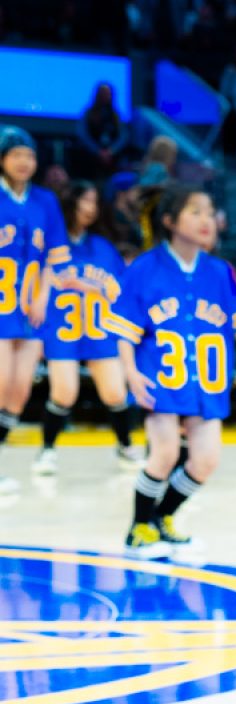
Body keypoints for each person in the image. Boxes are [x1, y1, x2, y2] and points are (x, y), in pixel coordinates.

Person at [105, 186, 236, 559]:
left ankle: (164, 518)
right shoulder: (144, 268)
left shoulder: (221, 271)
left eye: (210, 213)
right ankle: (139, 527)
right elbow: (125, 328)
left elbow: (233, 313)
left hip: (207, 380)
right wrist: (130, 372)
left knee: (206, 460)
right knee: (165, 452)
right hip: (161, 377)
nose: (207, 220)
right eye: (195, 212)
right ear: (170, 221)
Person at [37, 181, 140, 474]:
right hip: (62, 332)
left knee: (115, 393)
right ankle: (46, 451)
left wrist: (88, 286)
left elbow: (122, 292)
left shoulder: (103, 247)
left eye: (95, 203)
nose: (91, 209)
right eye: (87, 201)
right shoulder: (50, 247)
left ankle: (124, 446)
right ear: (72, 203)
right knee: (64, 392)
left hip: (98, 331)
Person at [0, 127, 69, 496]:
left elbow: (54, 258)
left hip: (31, 310)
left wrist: (44, 296)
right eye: (16, 155)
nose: (24, 162)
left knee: (19, 391)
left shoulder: (45, 201)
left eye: (29, 155)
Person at [76, 83, 129, 180]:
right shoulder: (88, 114)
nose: (106, 97)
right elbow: (83, 135)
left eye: (108, 94)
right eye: (103, 94)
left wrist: (111, 151)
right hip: (91, 158)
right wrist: (98, 152)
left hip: (114, 158)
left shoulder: (116, 115)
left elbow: (123, 136)